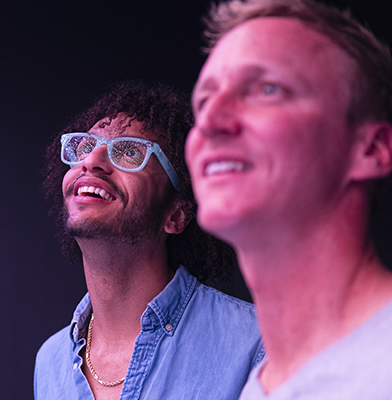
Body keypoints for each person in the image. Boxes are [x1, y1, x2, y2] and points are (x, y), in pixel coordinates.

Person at [185, 0, 392, 398]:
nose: (209, 122)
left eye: (267, 89)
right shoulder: (258, 387)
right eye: (205, 101)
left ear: (371, 149)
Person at [34, 81, 263, 400]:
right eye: (85, 147)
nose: (91, 161)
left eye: (129, 151)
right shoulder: (50, 362)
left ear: (176, 215)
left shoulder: (255, 345)